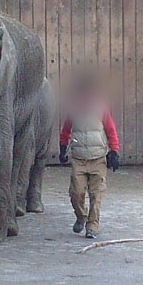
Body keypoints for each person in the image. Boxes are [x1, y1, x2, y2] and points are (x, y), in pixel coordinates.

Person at [59, 74, 120, 239]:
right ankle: (81, 216)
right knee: (76, 193)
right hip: (78, 159)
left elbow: (111, 131)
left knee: (96, 194)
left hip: (98, 158)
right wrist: (63, 147)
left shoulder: (101, 109)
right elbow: (65, 131)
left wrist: (114, 151)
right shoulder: (72, 110)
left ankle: (92, 225)